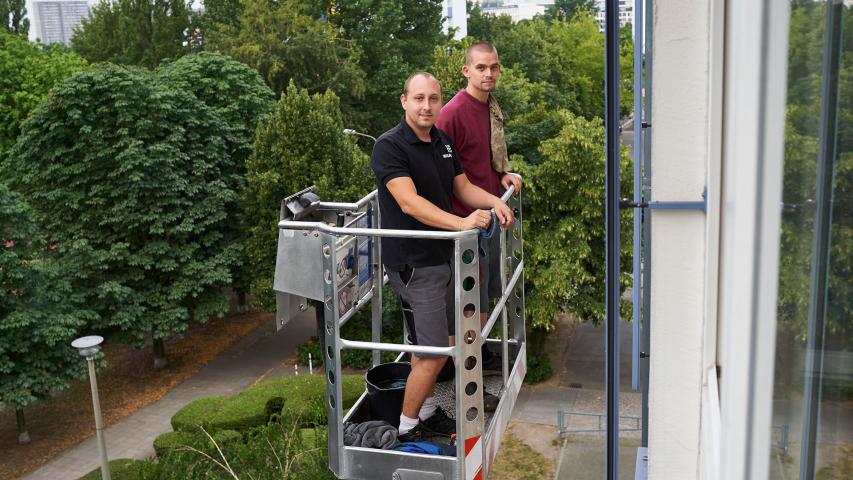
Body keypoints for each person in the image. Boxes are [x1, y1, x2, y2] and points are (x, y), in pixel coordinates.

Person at [370, 72, 514, 442]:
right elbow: (408, 202)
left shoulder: (440, 140)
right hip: (415, 263)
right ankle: (407, 426)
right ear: (404, 101)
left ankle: (429, 411)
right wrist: (461, 223)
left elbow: (462, 186)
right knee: (434, 353)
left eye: (433, 99)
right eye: (418, 98)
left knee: (436, 343)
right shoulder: (390, 146)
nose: (426, 106)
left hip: (443, 257)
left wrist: (495, 200)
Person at [436, 41, 522, 375]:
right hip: (465, 224)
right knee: (468, 306)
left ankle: (476, 358)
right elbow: (441, 175)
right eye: (481, 67)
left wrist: (502, 174)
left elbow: (480, 157)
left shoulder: (489, 107)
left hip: (489, 217)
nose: (489, 74)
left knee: (485, 298)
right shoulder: (452, 113)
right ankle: (462, 373)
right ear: (466, 70)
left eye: (494, 67)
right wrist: (454, 221)